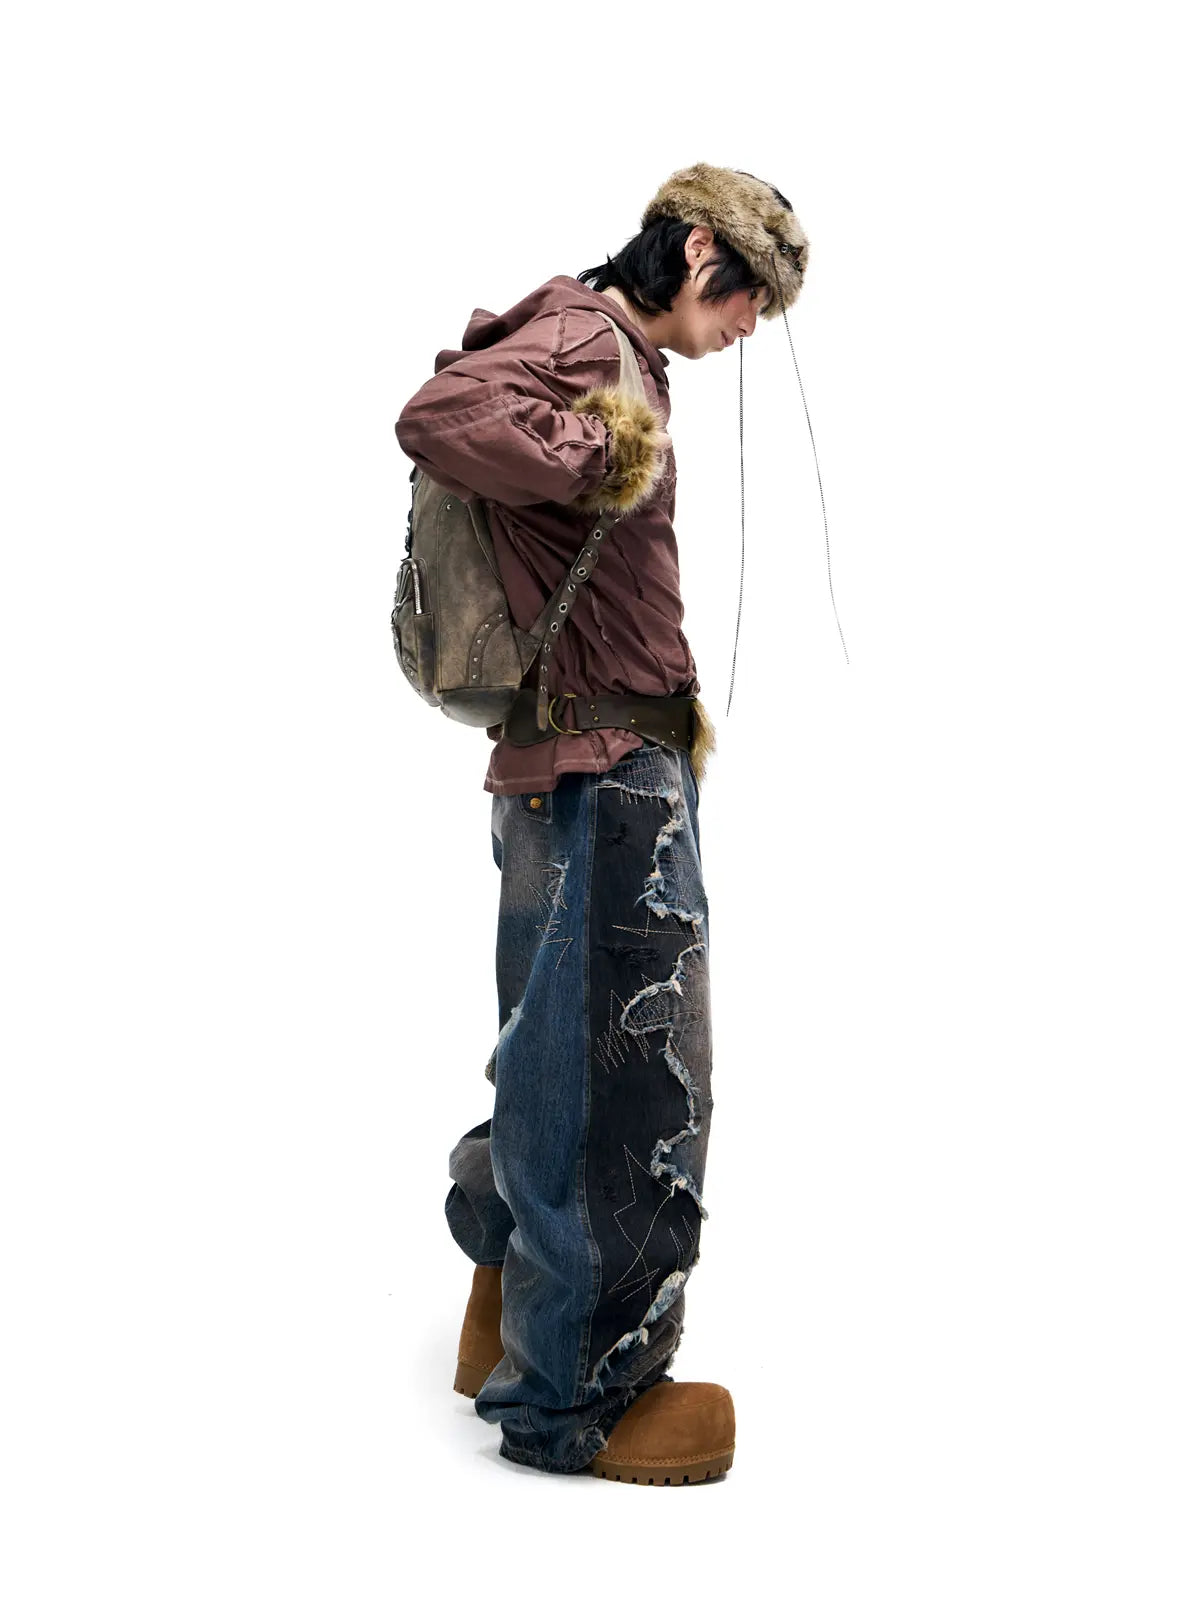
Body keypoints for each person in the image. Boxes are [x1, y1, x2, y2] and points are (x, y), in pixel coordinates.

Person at [394, 162, 809, 1483]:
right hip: (602, 771)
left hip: (586, 761)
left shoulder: (606, 344)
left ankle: (509, 1298)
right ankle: (578, 1396)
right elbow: (438, 413)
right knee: (628, 1079)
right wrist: (602, 453)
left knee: (554, 1049)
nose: (747, 328)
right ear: (698, 254)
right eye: (748, 299)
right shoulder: (588, 338)